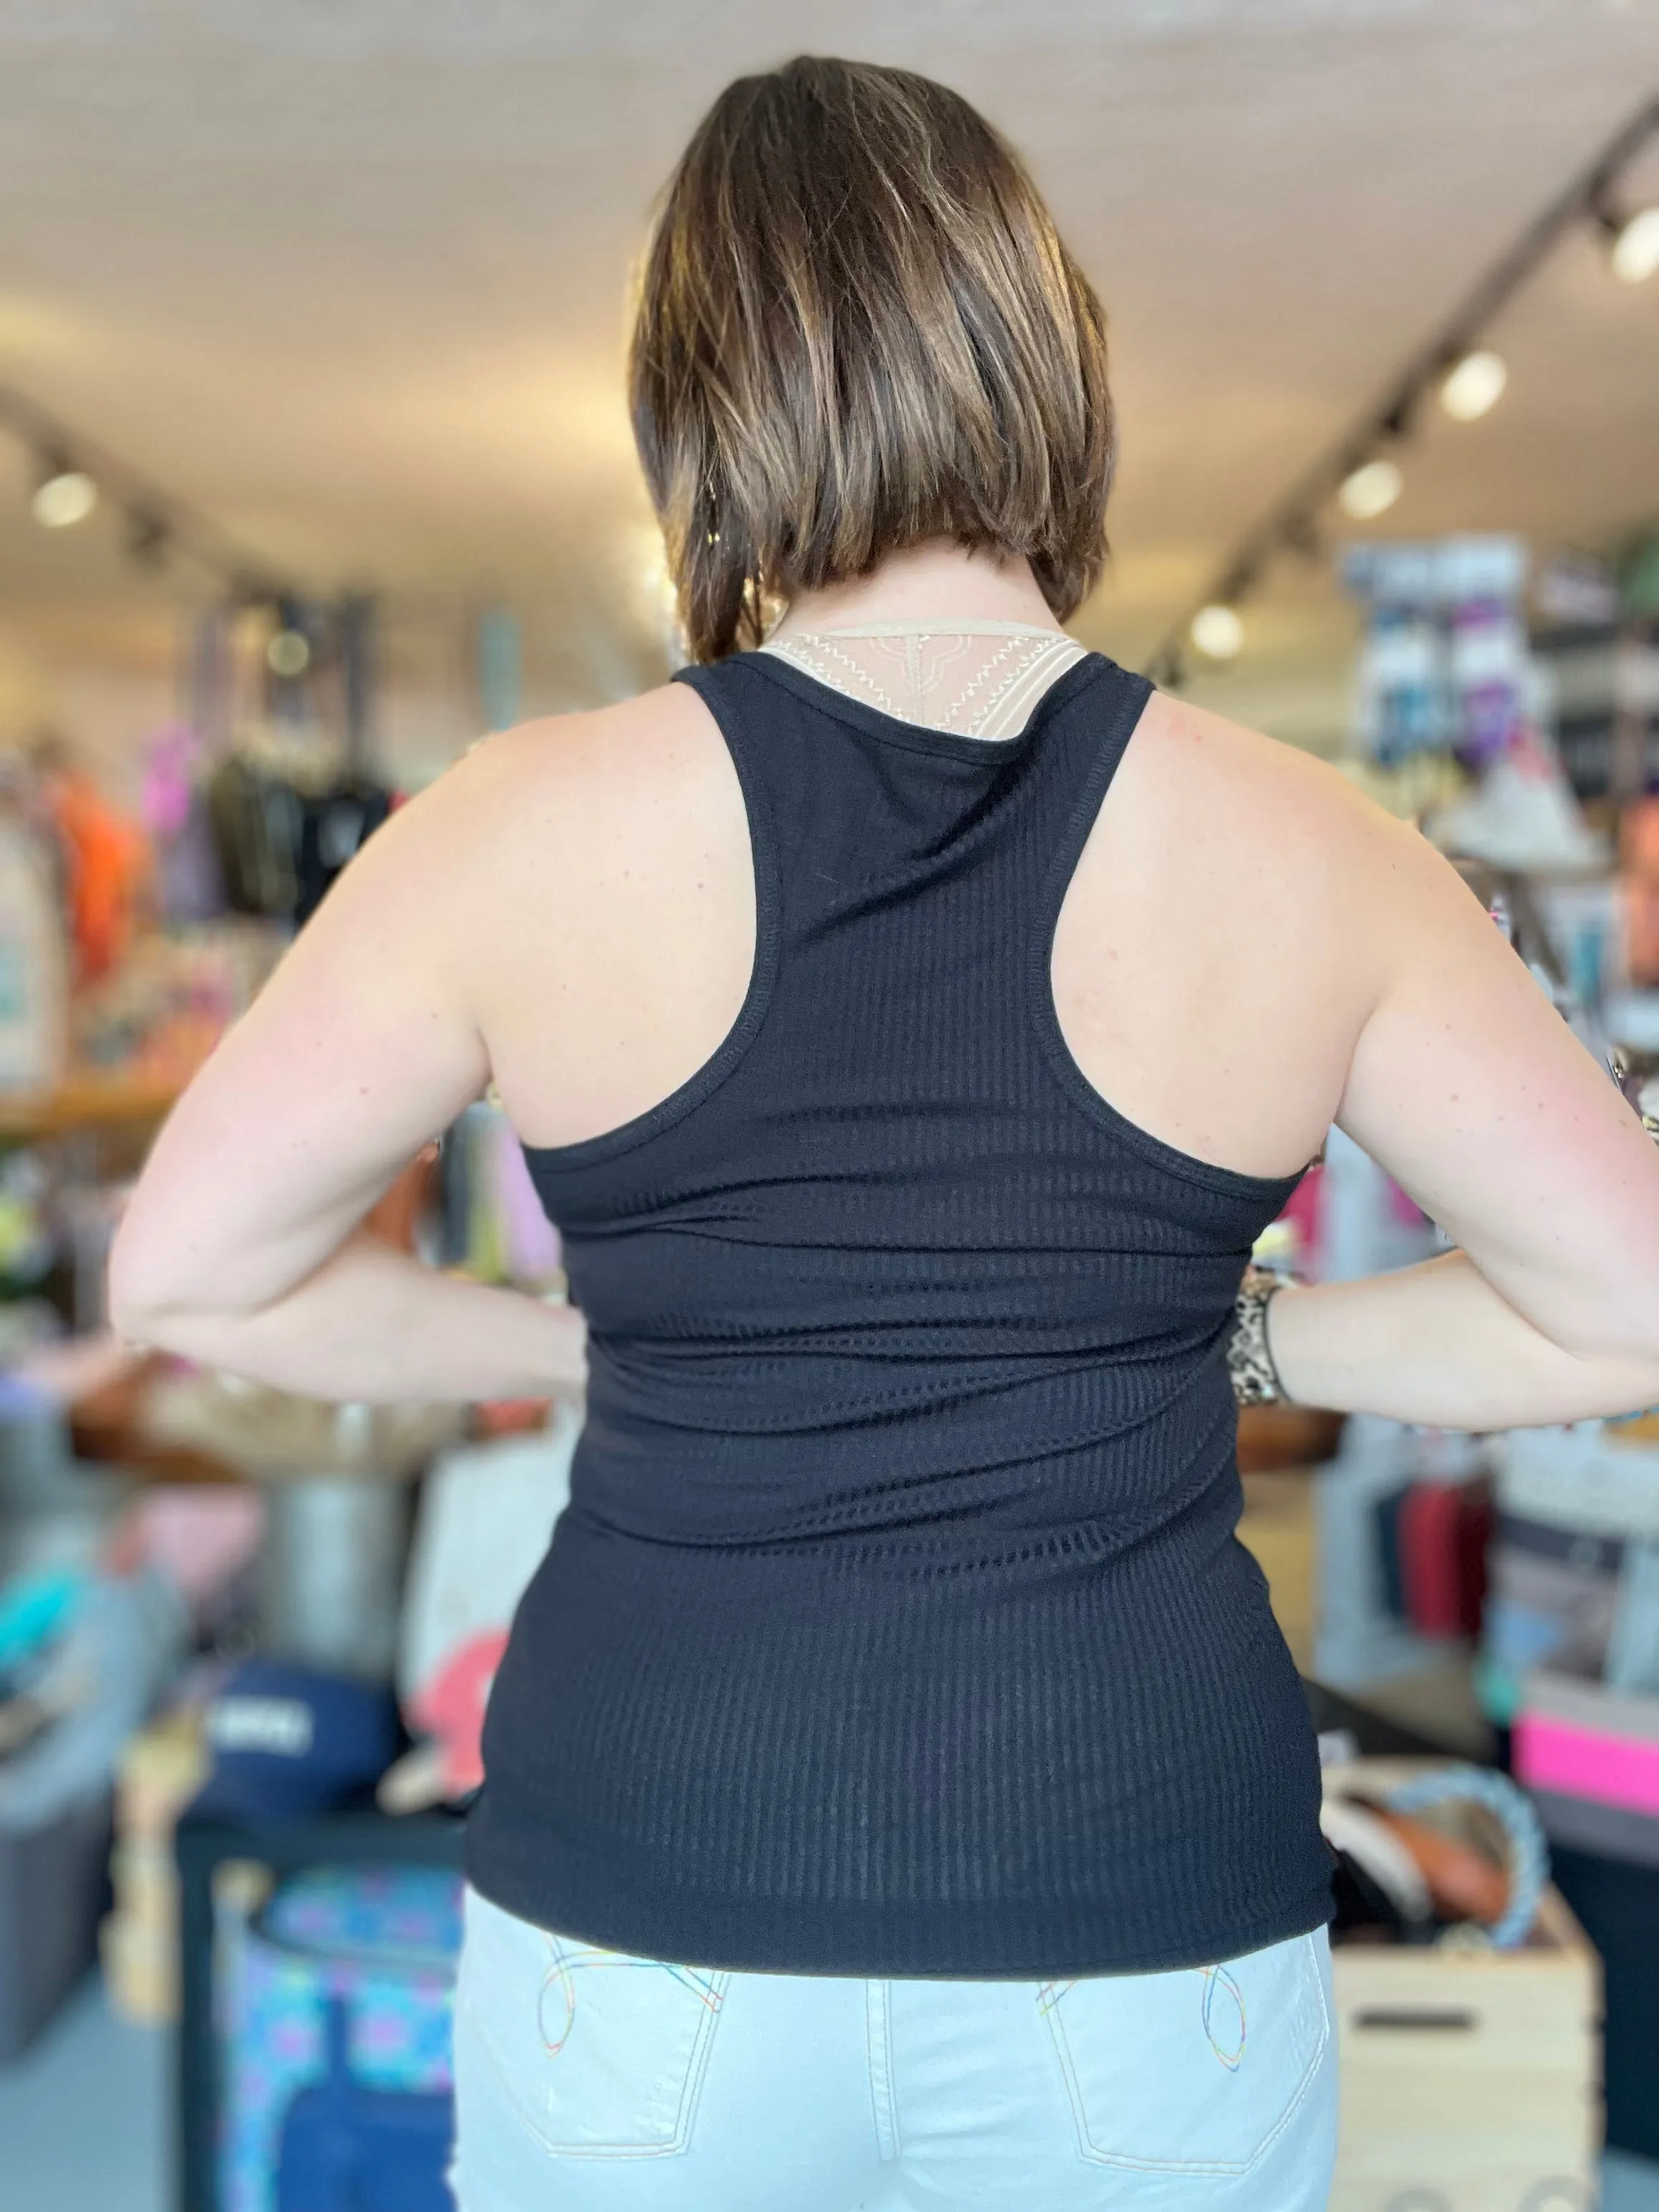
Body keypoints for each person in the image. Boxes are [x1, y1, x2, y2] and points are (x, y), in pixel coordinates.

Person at [109, 56, 1659, 2212]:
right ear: (1047, 361)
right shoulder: (1303, 845)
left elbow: (190, 1272)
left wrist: (580, 1347)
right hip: (1138, 1904)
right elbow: (1623, 1311)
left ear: (698, 407)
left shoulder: (514, 828)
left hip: (647, 1898)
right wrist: (1246, 1340)